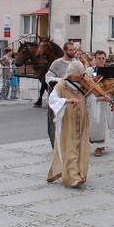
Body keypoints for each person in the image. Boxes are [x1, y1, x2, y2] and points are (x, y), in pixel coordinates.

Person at [46, 60, 91, 188]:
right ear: (70, 74)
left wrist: (103, 96)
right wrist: (67, 100)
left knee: (81, 146)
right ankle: (73, 177)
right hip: (68, 120)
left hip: (82, 120)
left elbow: (91, 97)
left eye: (80, 76)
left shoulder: (84, 84)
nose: (79, 79)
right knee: (70, 147)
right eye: (76, 77)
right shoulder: (61, 85)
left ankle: (81, 173)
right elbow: (52, 100)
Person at [45, 42, 76, 148]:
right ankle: (57, 144)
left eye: (73, 50)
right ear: (65, 51)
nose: (73, 52)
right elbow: (48, 77)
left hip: (73, 96)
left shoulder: (76, 62)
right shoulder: (57, 63)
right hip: (60, 95)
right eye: (70, 50)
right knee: (59, 122)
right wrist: (62, 81)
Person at [86, 50, 112, 157]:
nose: (101, 60)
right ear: (95, 59)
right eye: (99, 58)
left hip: (106, 98)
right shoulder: (89, 70)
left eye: (103, 58)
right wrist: (93, 79)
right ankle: (98, 146)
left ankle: (102, 143)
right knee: (97, 122)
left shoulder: (109, 70)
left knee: (105, 122)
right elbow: (85, 83)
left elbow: (113, 85)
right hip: (94, 99)